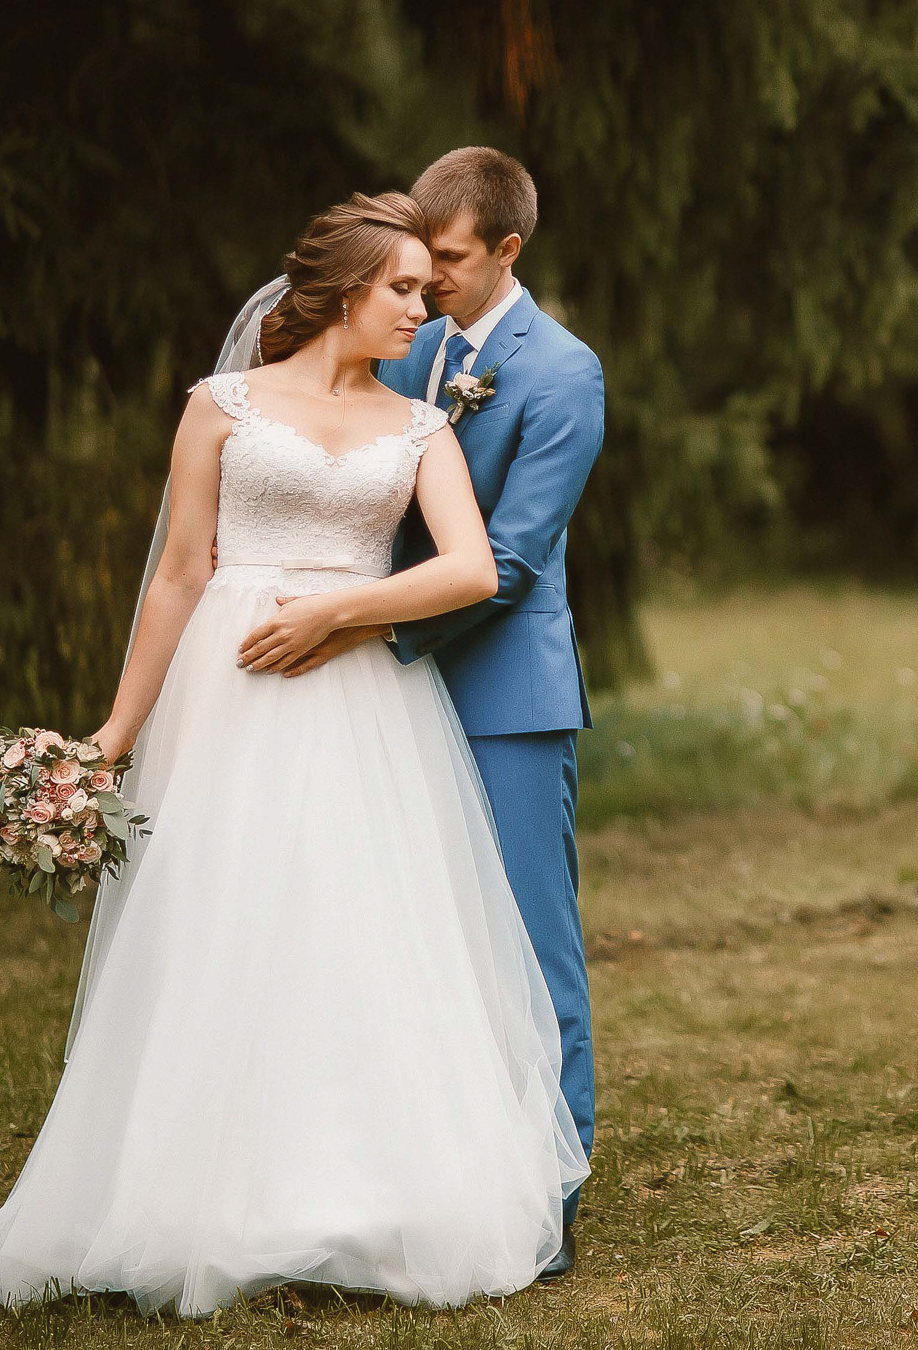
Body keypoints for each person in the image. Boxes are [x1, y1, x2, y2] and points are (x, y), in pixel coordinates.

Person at [0, 192, 587, 1318]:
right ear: (340, 292)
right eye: (402, 291)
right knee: (220, 924)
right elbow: (180, 574)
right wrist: (112, 738)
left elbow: (472, 569)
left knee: (360, 928)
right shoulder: (219, 406)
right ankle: (191, 1196)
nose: (420, 311)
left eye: (429, 291)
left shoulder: (419, 428)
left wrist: (342, 614)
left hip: (362, 699)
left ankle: (365, 1197)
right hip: (226, 699)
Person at [270, 148, 605, 1278]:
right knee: (403, 942)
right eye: (417, 257)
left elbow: (506, 561)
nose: (427, 278)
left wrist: (355, 623)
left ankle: (552, 1194)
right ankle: (420, 1175)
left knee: (524, 942)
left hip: (500, 694)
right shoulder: (402, 341)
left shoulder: (561, 374)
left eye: (449, 258)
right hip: (377, 695)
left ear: (507, 251)